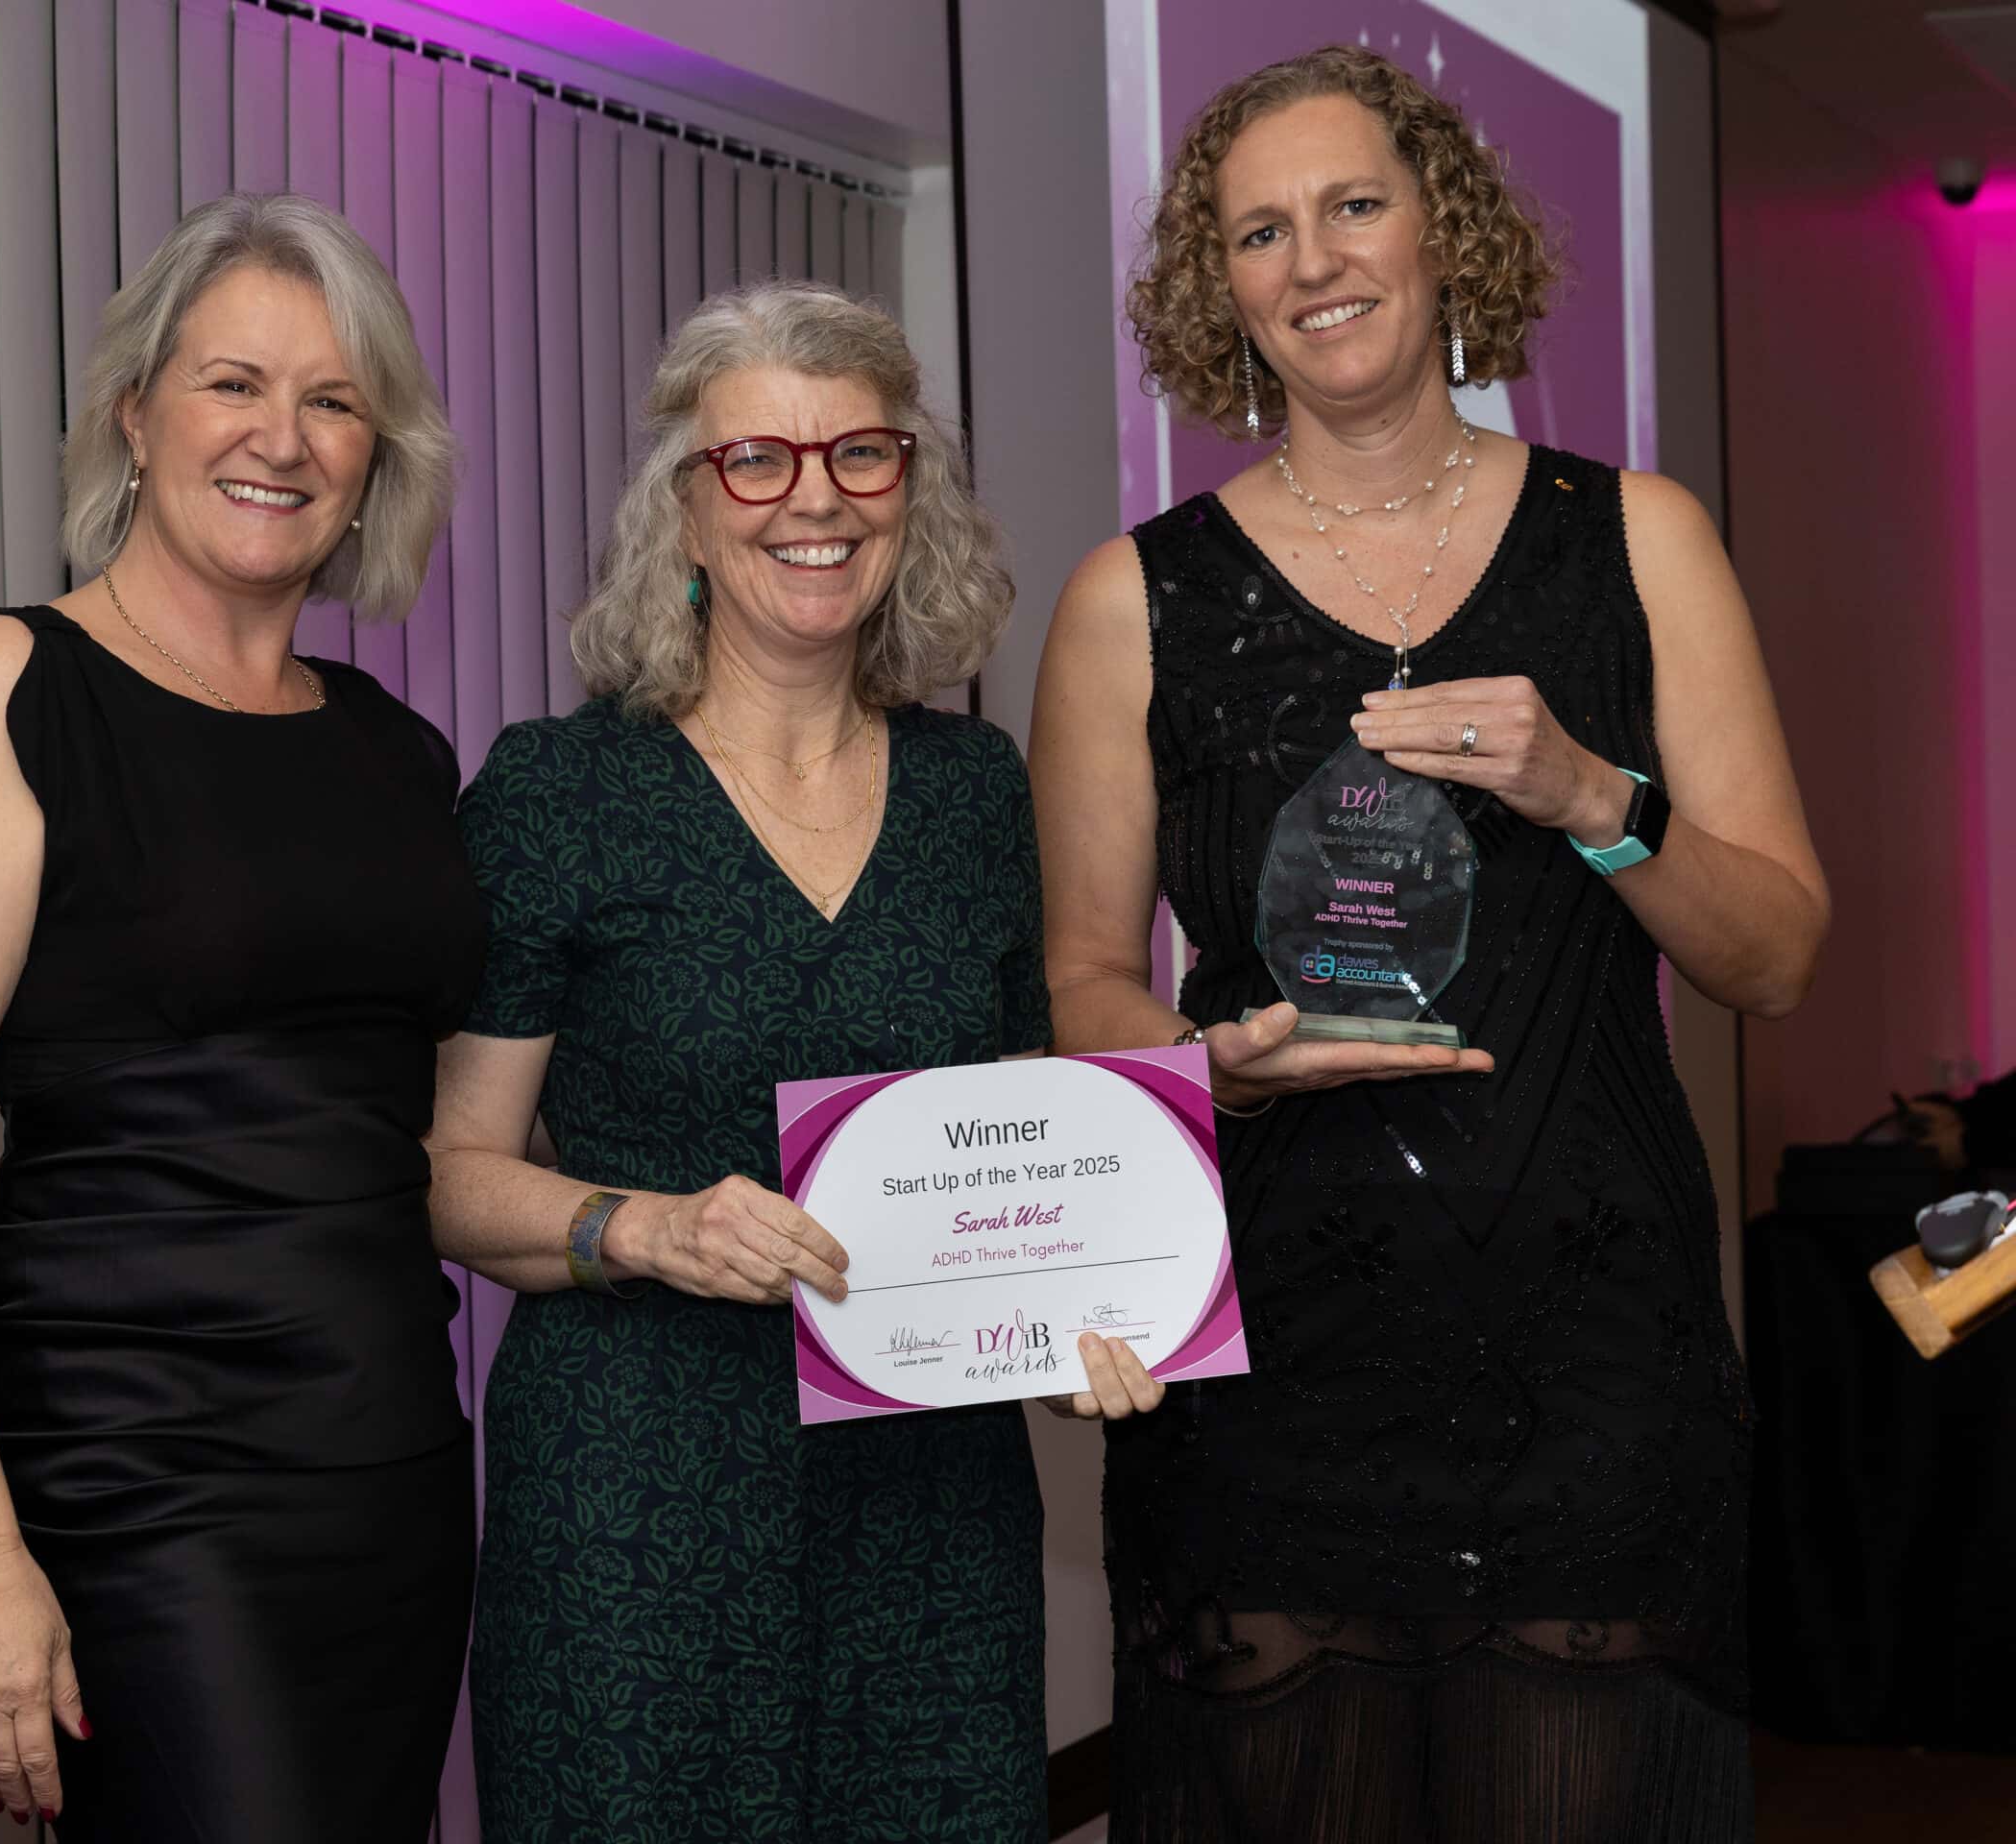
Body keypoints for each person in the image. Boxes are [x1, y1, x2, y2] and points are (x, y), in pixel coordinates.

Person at [1031, 46, 1829, 1844]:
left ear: (1443, 229)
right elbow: (1080, 976)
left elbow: (1776, 956)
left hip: (1597, 1363)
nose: (1314, 261)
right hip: (1265, 1365)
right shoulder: (1130, 601)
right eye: (1260, 232)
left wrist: (1592, 793)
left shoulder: (1637, 543)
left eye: (1354, 205)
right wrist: (1205, 1066)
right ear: (1220, 289)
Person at [426, 279, 1166, 1844]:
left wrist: (1081, 1325)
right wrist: (647, 1227)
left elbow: (1026, 1158)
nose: (813, 500)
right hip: (636, 1519)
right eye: (755, 459)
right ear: (685, 513)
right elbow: (449, 1173)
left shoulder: (976, 795)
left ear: (910, 491)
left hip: (933, 1524)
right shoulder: (558, 794)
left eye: (859, 454)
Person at [0, 192, 473, 1841]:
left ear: (376, 458)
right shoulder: (8, 687)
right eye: (232, 383)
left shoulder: (398, 752)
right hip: (138, 1488)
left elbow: (419, 1131)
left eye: (333, 401)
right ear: (133, 412)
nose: (282, 439)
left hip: (393, 1473)